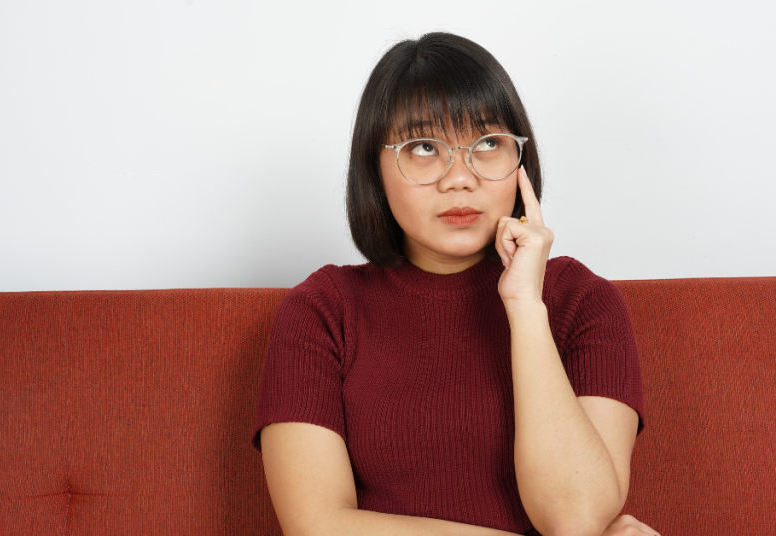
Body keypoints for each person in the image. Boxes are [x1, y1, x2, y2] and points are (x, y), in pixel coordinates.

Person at [252, 32, 659, 536]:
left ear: (520, 161)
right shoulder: (322, 310)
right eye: (424, 147)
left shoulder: (582, 301)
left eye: (488, 143)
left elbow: (576, 518)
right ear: (373, 169)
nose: (460, 177)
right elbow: (317, 526)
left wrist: (526, 307)